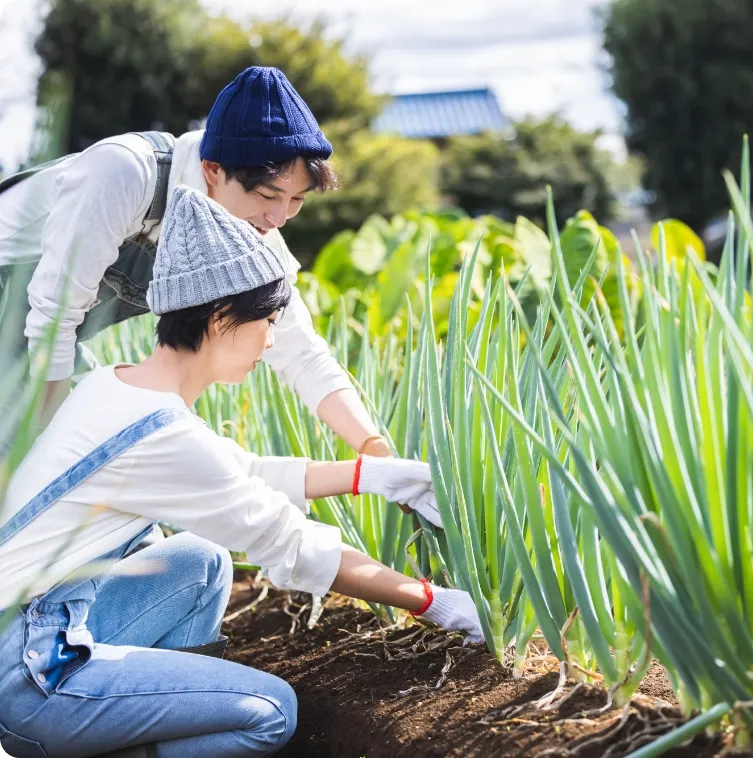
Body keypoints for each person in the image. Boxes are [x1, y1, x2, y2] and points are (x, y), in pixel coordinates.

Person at [0, 185, 483, 758]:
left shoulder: (119, 386)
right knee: (270, 712)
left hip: (36, 625)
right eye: (267, 322)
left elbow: (242, 470)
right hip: (31, 675)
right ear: (221, 316)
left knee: (201, 562)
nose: (272, 341)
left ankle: (133, 725)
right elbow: (293, 545)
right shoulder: (157, 432)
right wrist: (433, 601)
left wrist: (370, 475)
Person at [0, 65, 394, 463]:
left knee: (111, 450)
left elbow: (301, 352)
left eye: (296, 200)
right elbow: (53, 316)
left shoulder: (251, 234)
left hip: (33, 337)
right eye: (267, 195)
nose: (278, 218)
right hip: (23, 310)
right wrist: (50, 455)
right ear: (212, 169)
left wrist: (371, 447)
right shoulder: (125, 172)